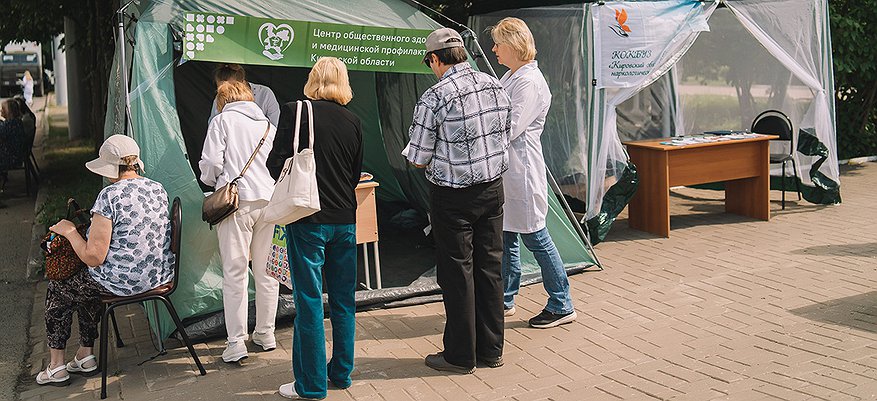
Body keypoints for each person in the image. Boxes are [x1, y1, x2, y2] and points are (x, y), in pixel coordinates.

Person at [406, 28, 512, 374]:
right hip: (492, 189)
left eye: (429, 62)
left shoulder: (434, 97)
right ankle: (492, 350)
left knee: (457, 273)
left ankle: (460, 355)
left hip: (452, 196)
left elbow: (417, 158)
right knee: (490, 269)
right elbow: (505, 134)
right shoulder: (495, 84)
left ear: (435, 59)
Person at [38, 134, 175, 386]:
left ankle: (56, 366)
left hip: (123, 283)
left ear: (111, 168)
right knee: (86, 283)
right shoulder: (157, 188)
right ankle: (85, 355)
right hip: (158, 276)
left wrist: (69, 231)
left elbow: (93, 257)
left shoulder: (109, 196)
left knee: (59, 288)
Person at [266, 57, 363, 400]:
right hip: (345, 220)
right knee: (343, 301)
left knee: (309, 302)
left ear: (313, 79)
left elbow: (274, 164)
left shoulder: (296, 111)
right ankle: (342, 373)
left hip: (307, 218)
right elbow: (355, 174)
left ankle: (311, 385)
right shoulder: (354, 120)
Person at [491, 18, 577, 328]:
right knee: (506, 236)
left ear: (513, 45)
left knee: (536, 237)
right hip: (508, 171)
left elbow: (510, 127)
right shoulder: (512, 76)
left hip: (522, 171)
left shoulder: (528, 82)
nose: (494, 49)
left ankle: (561, 303)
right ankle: (504, 299)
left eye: (498, 44)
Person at [199, 80, 279, 363]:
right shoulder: (268, 126)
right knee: (267, 272)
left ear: (222, 101)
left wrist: (213, 182)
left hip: (236, 203)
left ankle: (236, 342)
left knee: (235, 273)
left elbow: (210, 164)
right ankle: (266, 333)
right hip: (269, 201)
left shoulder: (221, 122)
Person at [208, 63, 280, 127]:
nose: (226, 92)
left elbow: (275, 125)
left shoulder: (265, 93)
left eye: (231, 88)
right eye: (221, 90)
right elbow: (213, 124)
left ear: (242, 82)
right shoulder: (219, 98)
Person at [0, 99, 25, 192]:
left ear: (9, 111)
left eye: (3, 108)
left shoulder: (10, 124)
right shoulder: (17, 122)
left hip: (11, 158)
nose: (1, 110)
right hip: (16, 156)